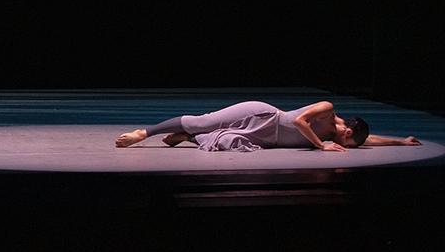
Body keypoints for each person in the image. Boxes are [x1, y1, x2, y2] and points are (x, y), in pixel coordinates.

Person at [115, 100, 423, 152]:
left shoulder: (346, 137)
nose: (344, 142)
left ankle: (185, 137)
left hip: (266, 139)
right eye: (347, 138)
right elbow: (301, 121)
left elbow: (369, 142)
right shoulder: (328, 114)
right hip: (264, 116)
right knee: (203, 122)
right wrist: (321, 144)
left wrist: (401, 142)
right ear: (347, 129)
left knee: (221, 143)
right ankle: (145, 133)